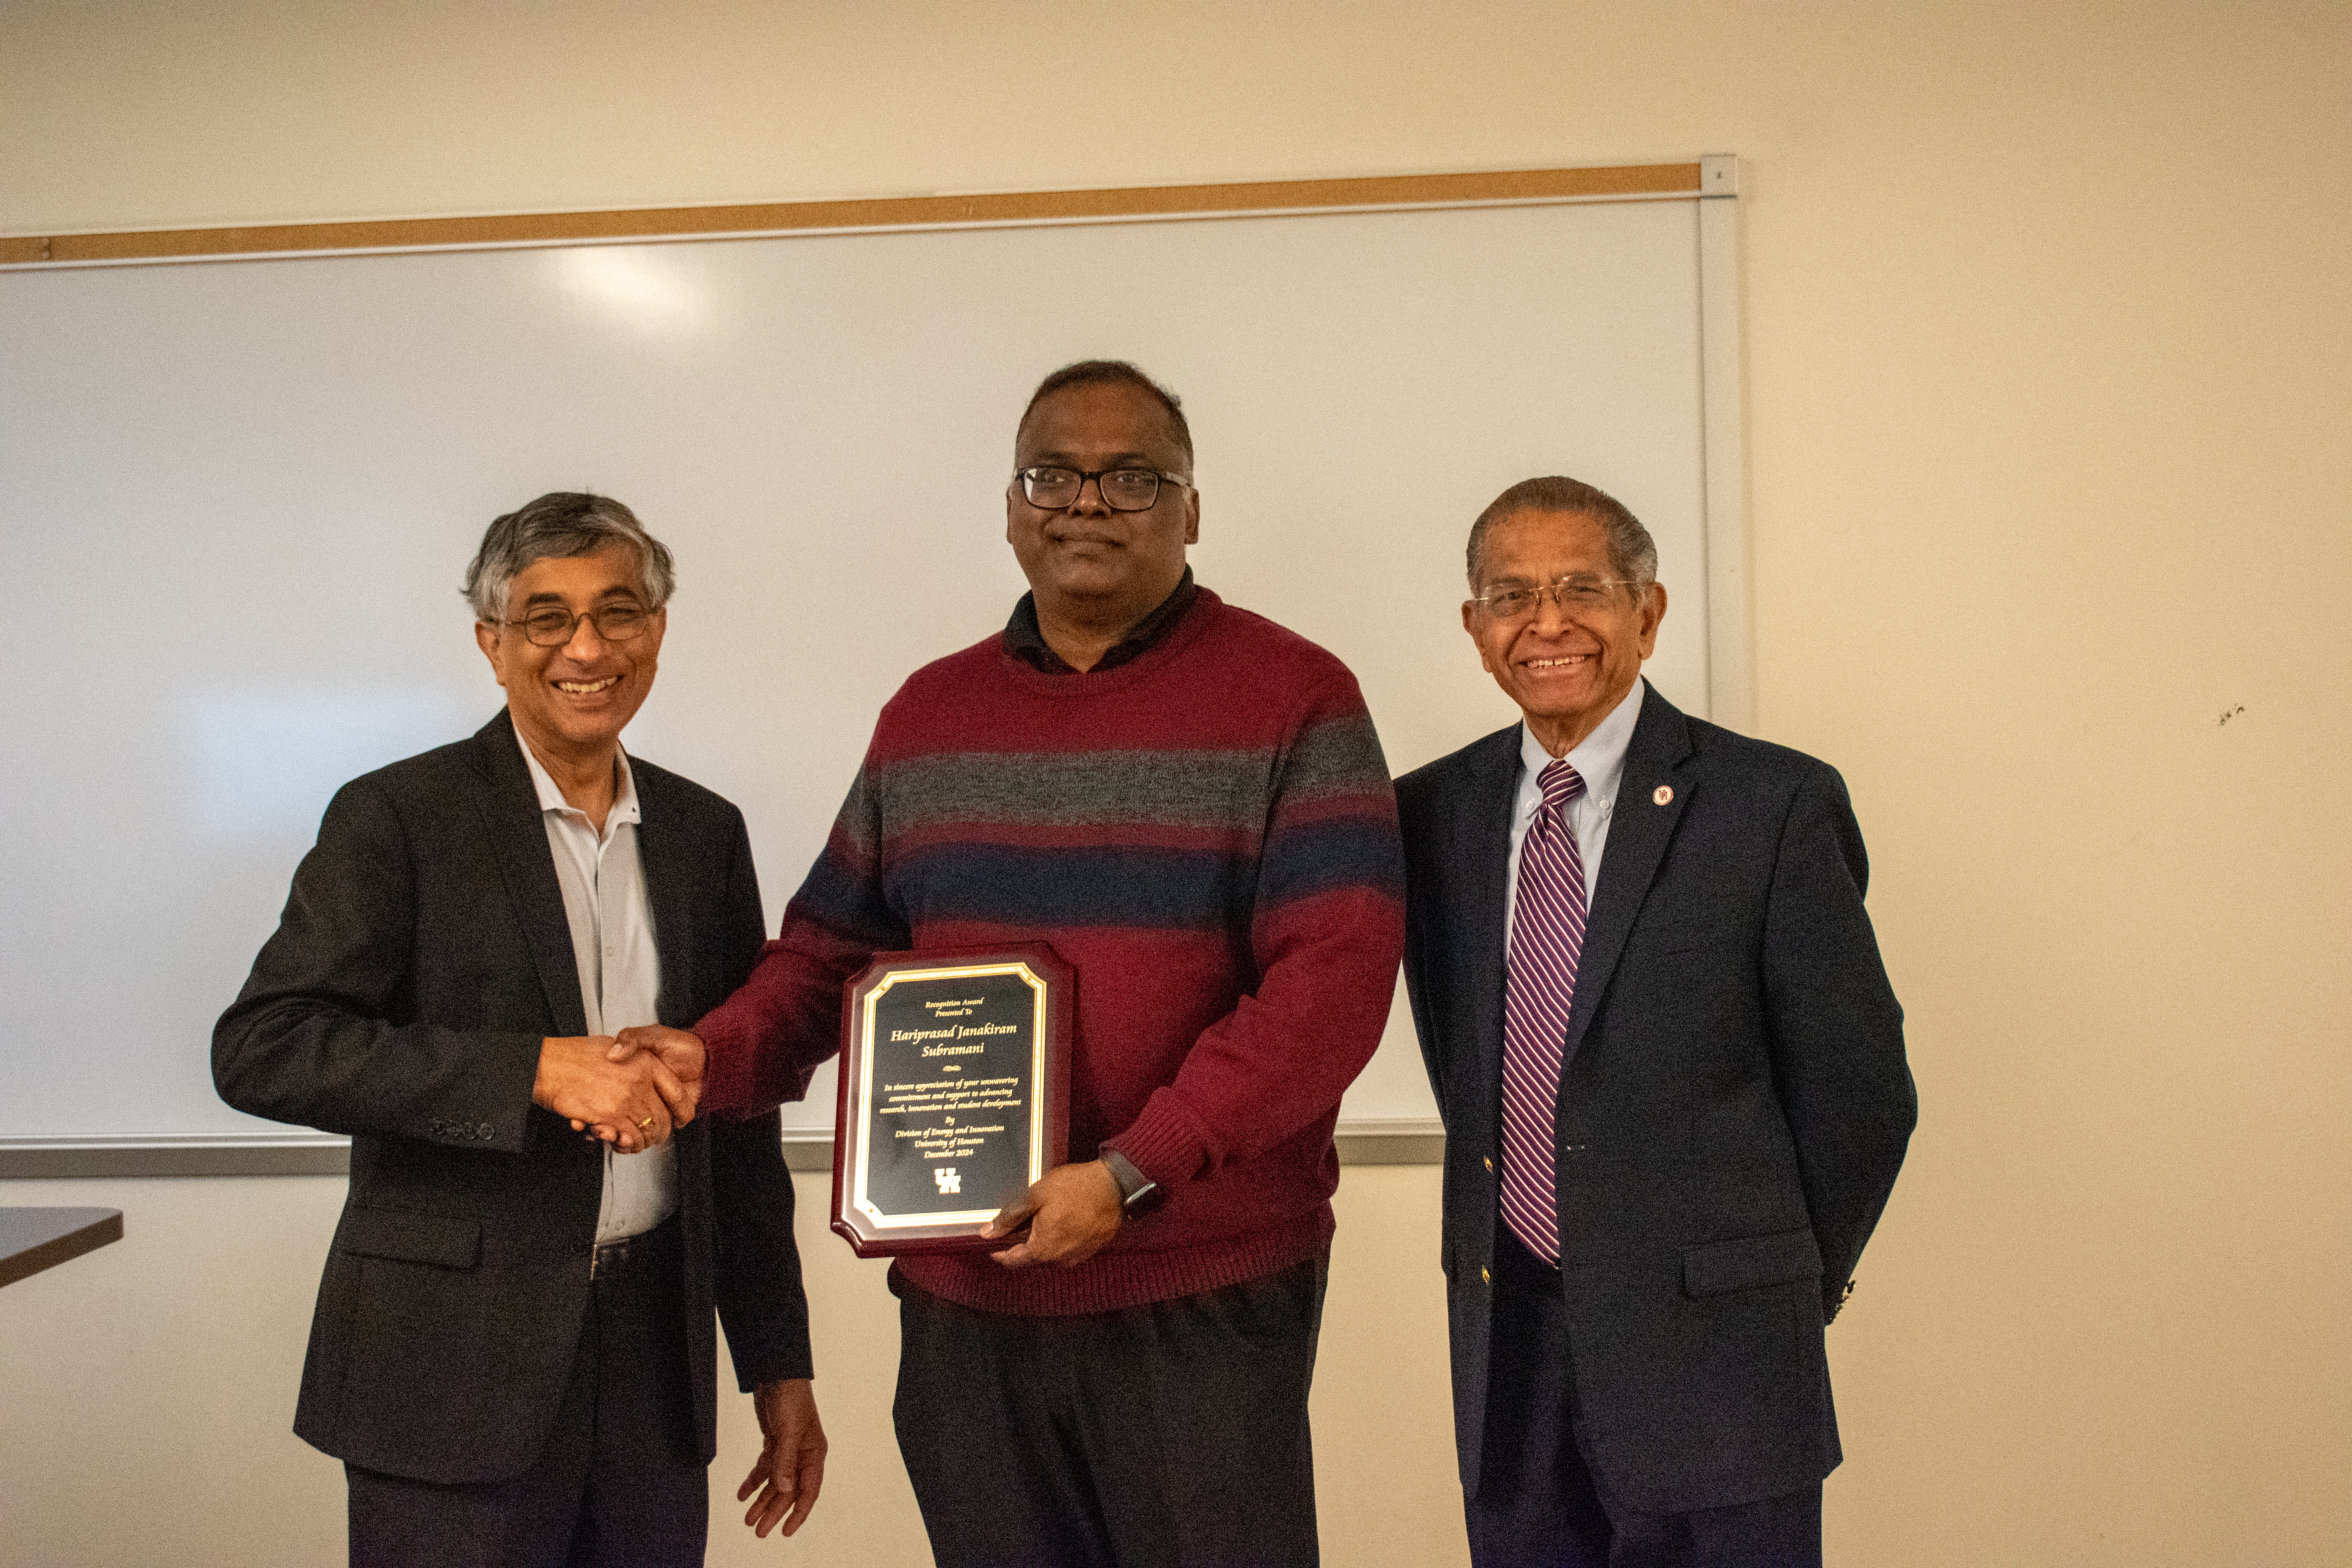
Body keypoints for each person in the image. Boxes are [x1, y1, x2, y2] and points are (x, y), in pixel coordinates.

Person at [621, 361, 1405, 1567]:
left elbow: (1330, 989)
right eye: (1054, 475)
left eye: (1132, 478)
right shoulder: (928, 715)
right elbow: (830, 955)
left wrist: (1132, 1174)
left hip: (1195, 1295)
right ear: (1009, 505)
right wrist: (706, 1059)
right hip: (968, 1305)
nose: (1086, 504)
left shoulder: (1297, 698)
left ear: (1191, 510)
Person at [213, 493, 826, 1567]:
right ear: (493, 646)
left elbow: (736, 1114)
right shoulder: (397, 818)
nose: (587, 648)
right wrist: (534, 1072)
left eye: (618, 612)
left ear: (658, 631)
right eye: (546, 619)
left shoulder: (703, 832)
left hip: (655, 1364)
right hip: (451, 1369)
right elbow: (266, 1045)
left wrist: (780, 1363)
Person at [1396, 476, 1916, 1568]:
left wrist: (1774, 1278)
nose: (1547, 623)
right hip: (1512, 1359)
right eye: (1511, 596)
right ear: (1474, 628)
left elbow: (1860, 1093)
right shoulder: (1429, 814)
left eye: (1583, 588)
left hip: (1722, 1361)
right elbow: (1464, 1063)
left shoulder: (1770, 806)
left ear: (1650, 610)